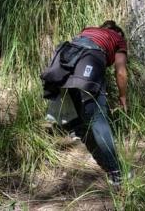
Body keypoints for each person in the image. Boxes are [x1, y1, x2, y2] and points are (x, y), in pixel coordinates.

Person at [40, 20, 128, 185]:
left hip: (65, 58)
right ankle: (116, 171)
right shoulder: (118, 38)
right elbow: (121, 71)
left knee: (73, 90)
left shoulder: (88, 30)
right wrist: (123, 96)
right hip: (90, 59)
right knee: (98, 116)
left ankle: (77, 128)